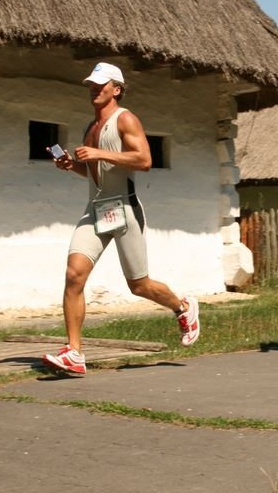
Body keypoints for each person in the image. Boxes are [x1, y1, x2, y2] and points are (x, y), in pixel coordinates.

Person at [42, 62, 200, 374]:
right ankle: (74, 353)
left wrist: (101, 154)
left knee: (138, 286)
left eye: (101, 84)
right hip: (96, 208)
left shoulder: (125, 118)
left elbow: (144, 160)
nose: (94, 89)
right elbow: (93, 171)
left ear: (117, 89)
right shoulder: (91, 127)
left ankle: (183, 307)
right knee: (74, 275)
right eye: (91, 84)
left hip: (123, 208)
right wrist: (71, 165)